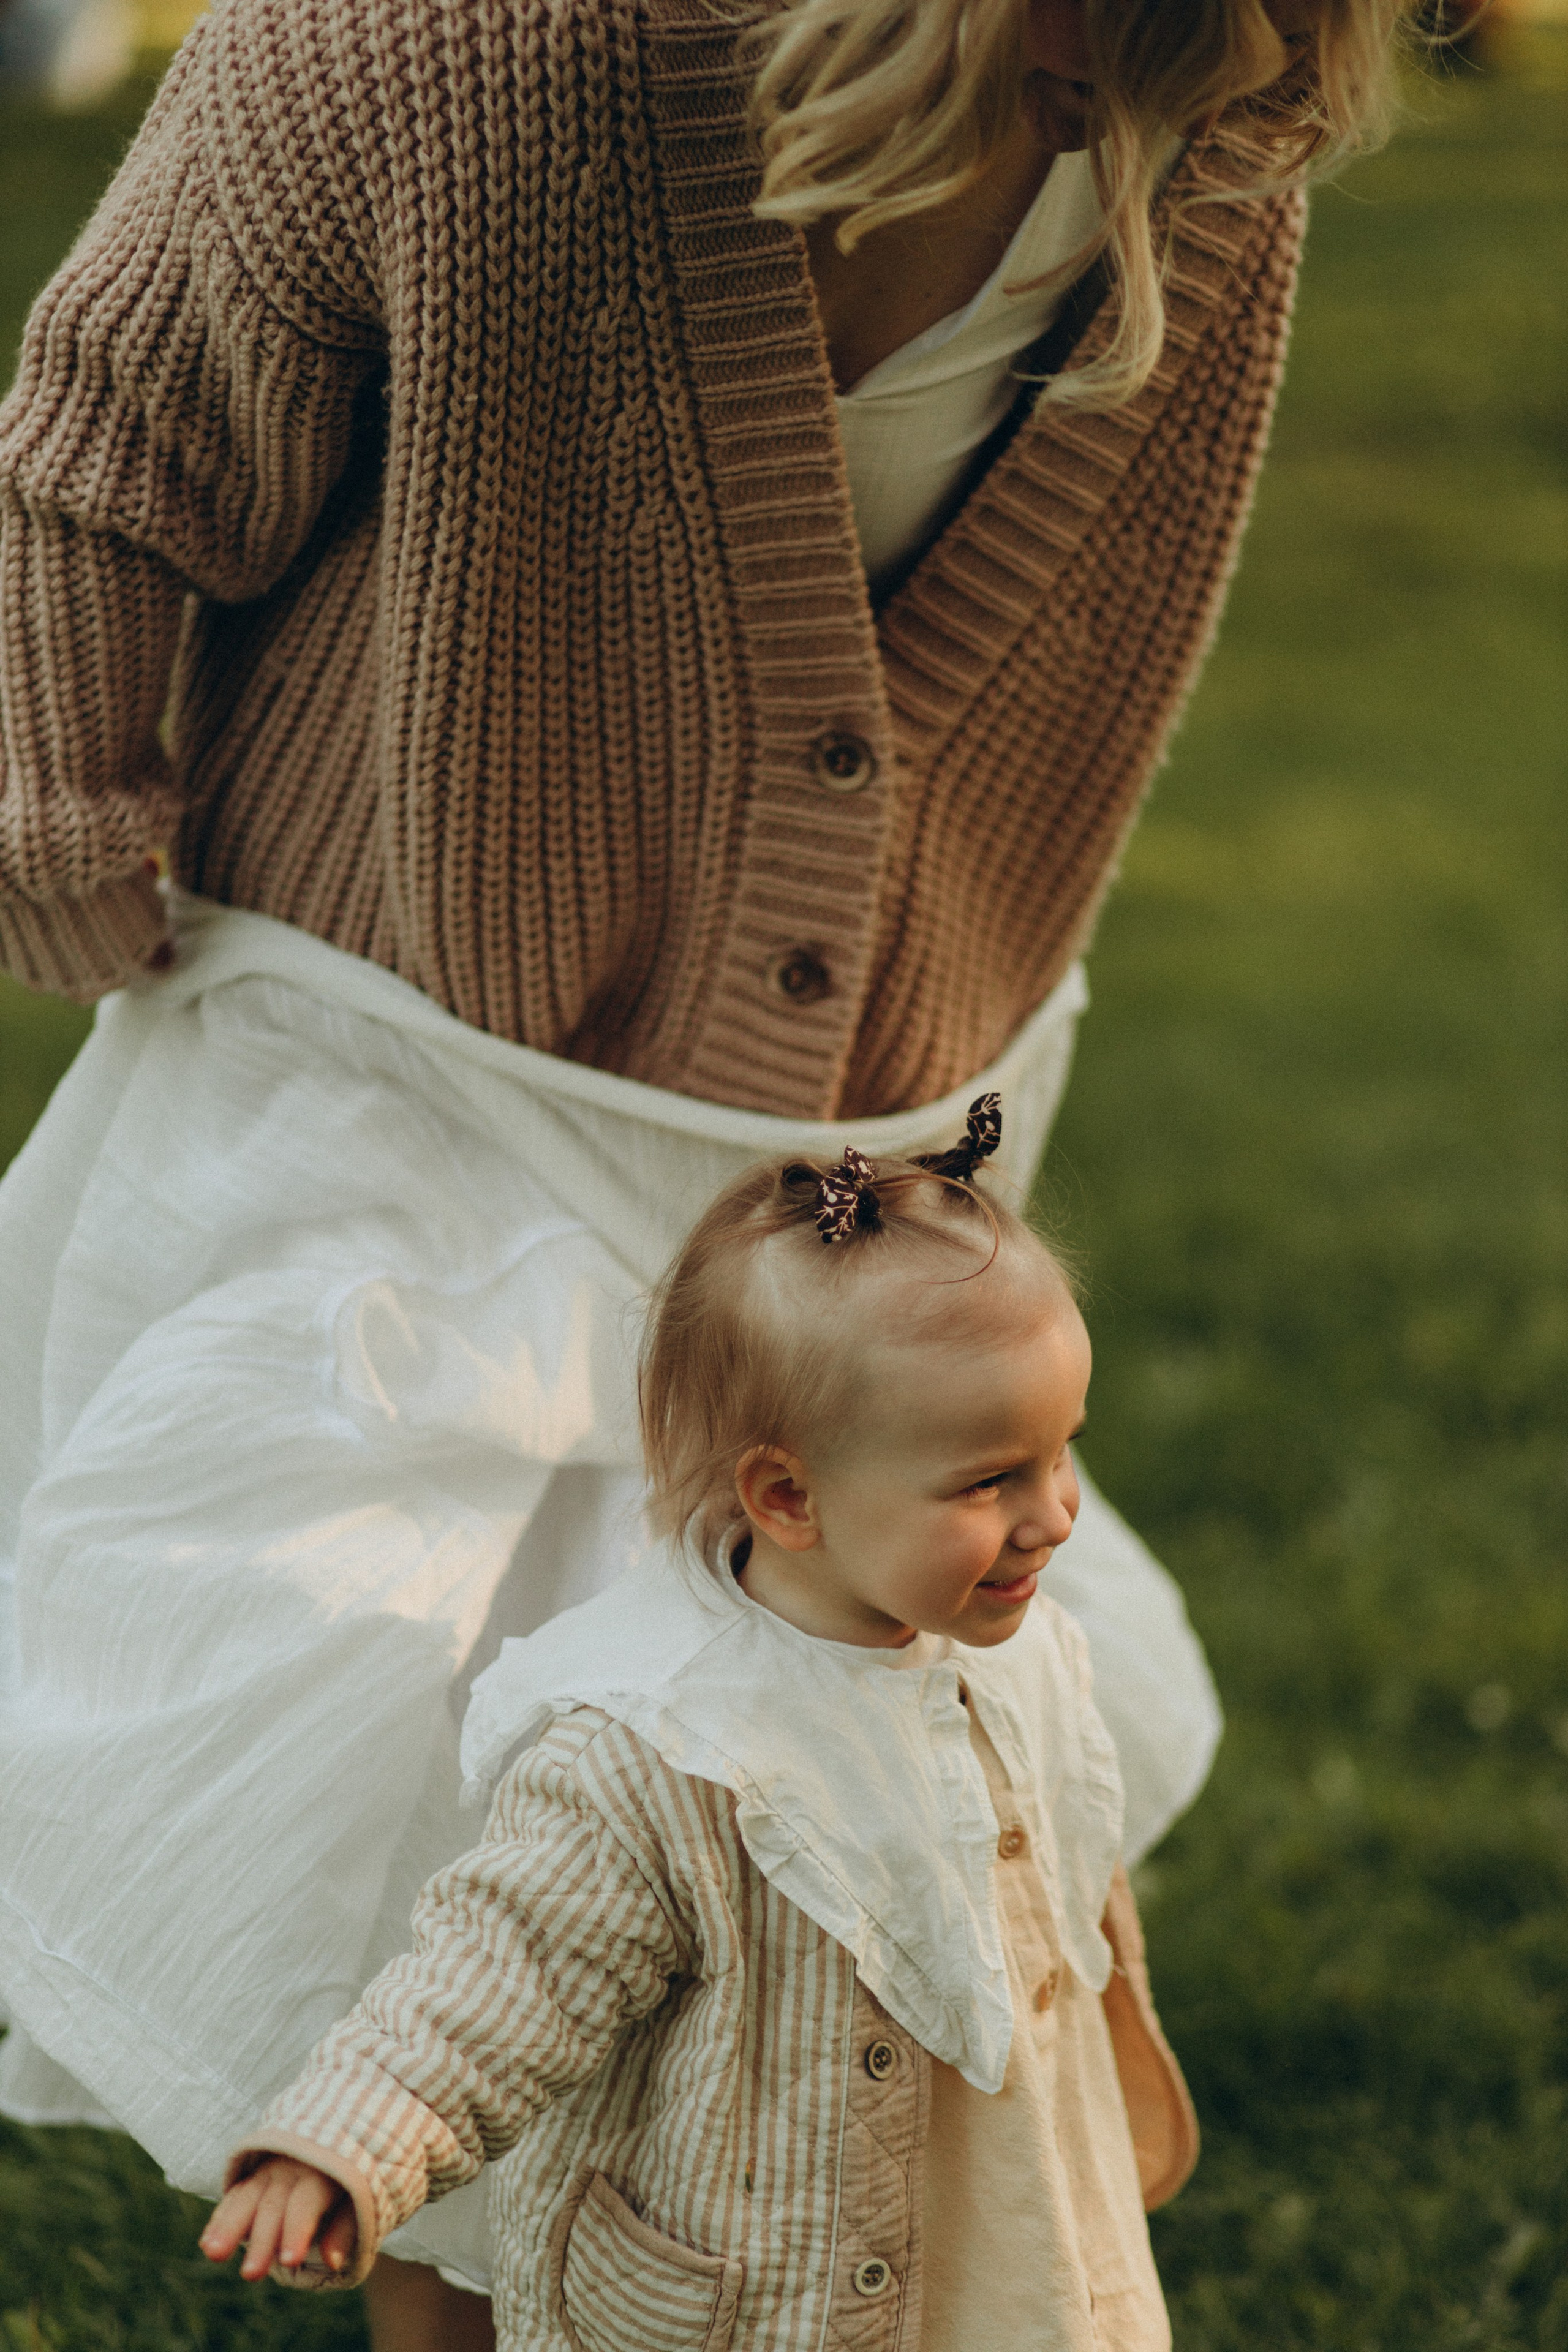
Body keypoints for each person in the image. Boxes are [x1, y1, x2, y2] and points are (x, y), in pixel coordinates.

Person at [0, 0, 1420, 2341]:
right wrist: (55, 798)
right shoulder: (472, 45)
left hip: (831, 1118)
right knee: (404, 1785)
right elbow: (113, 420)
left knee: (773, 1766)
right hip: (421, 1044)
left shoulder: (1220, 101)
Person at [199, 1114, 1199, 2350]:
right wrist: (343, 2142)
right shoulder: (659, 1745)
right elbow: (498, 1974)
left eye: (1062, 1453)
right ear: (787, 1496)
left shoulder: (1011, 1654)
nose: (1052, 1517)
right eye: (987, 1479)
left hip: (994, 2243)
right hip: (771, 2288)